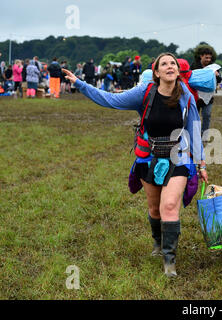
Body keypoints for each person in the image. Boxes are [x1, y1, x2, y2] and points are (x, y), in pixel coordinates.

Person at [62, 52, 208, 278]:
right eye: (164, 64)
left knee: (169, 206)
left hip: (178, 157)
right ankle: (158, 243)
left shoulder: (185, 96)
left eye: (173, 63)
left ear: (178, 71)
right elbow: (110, 99)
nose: (170, 66)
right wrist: (81, 84)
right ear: (156, 73)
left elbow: (194, 129)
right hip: (148, 158)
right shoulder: (145, 93)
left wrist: (200, 163)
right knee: (154, 208)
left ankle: (170, 261)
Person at [190, 44, 221, 139]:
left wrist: (217, 75)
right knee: (195, 116)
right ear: (201, 56)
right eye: (206, 57)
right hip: (196, 96)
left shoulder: (213, 66)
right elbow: (190, 77)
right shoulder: (194, 65)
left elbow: (219, 80)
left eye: (209, 58)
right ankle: (195, 134)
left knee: (207, 115)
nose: (208, 60)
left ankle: (205, 135)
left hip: (208, 97)